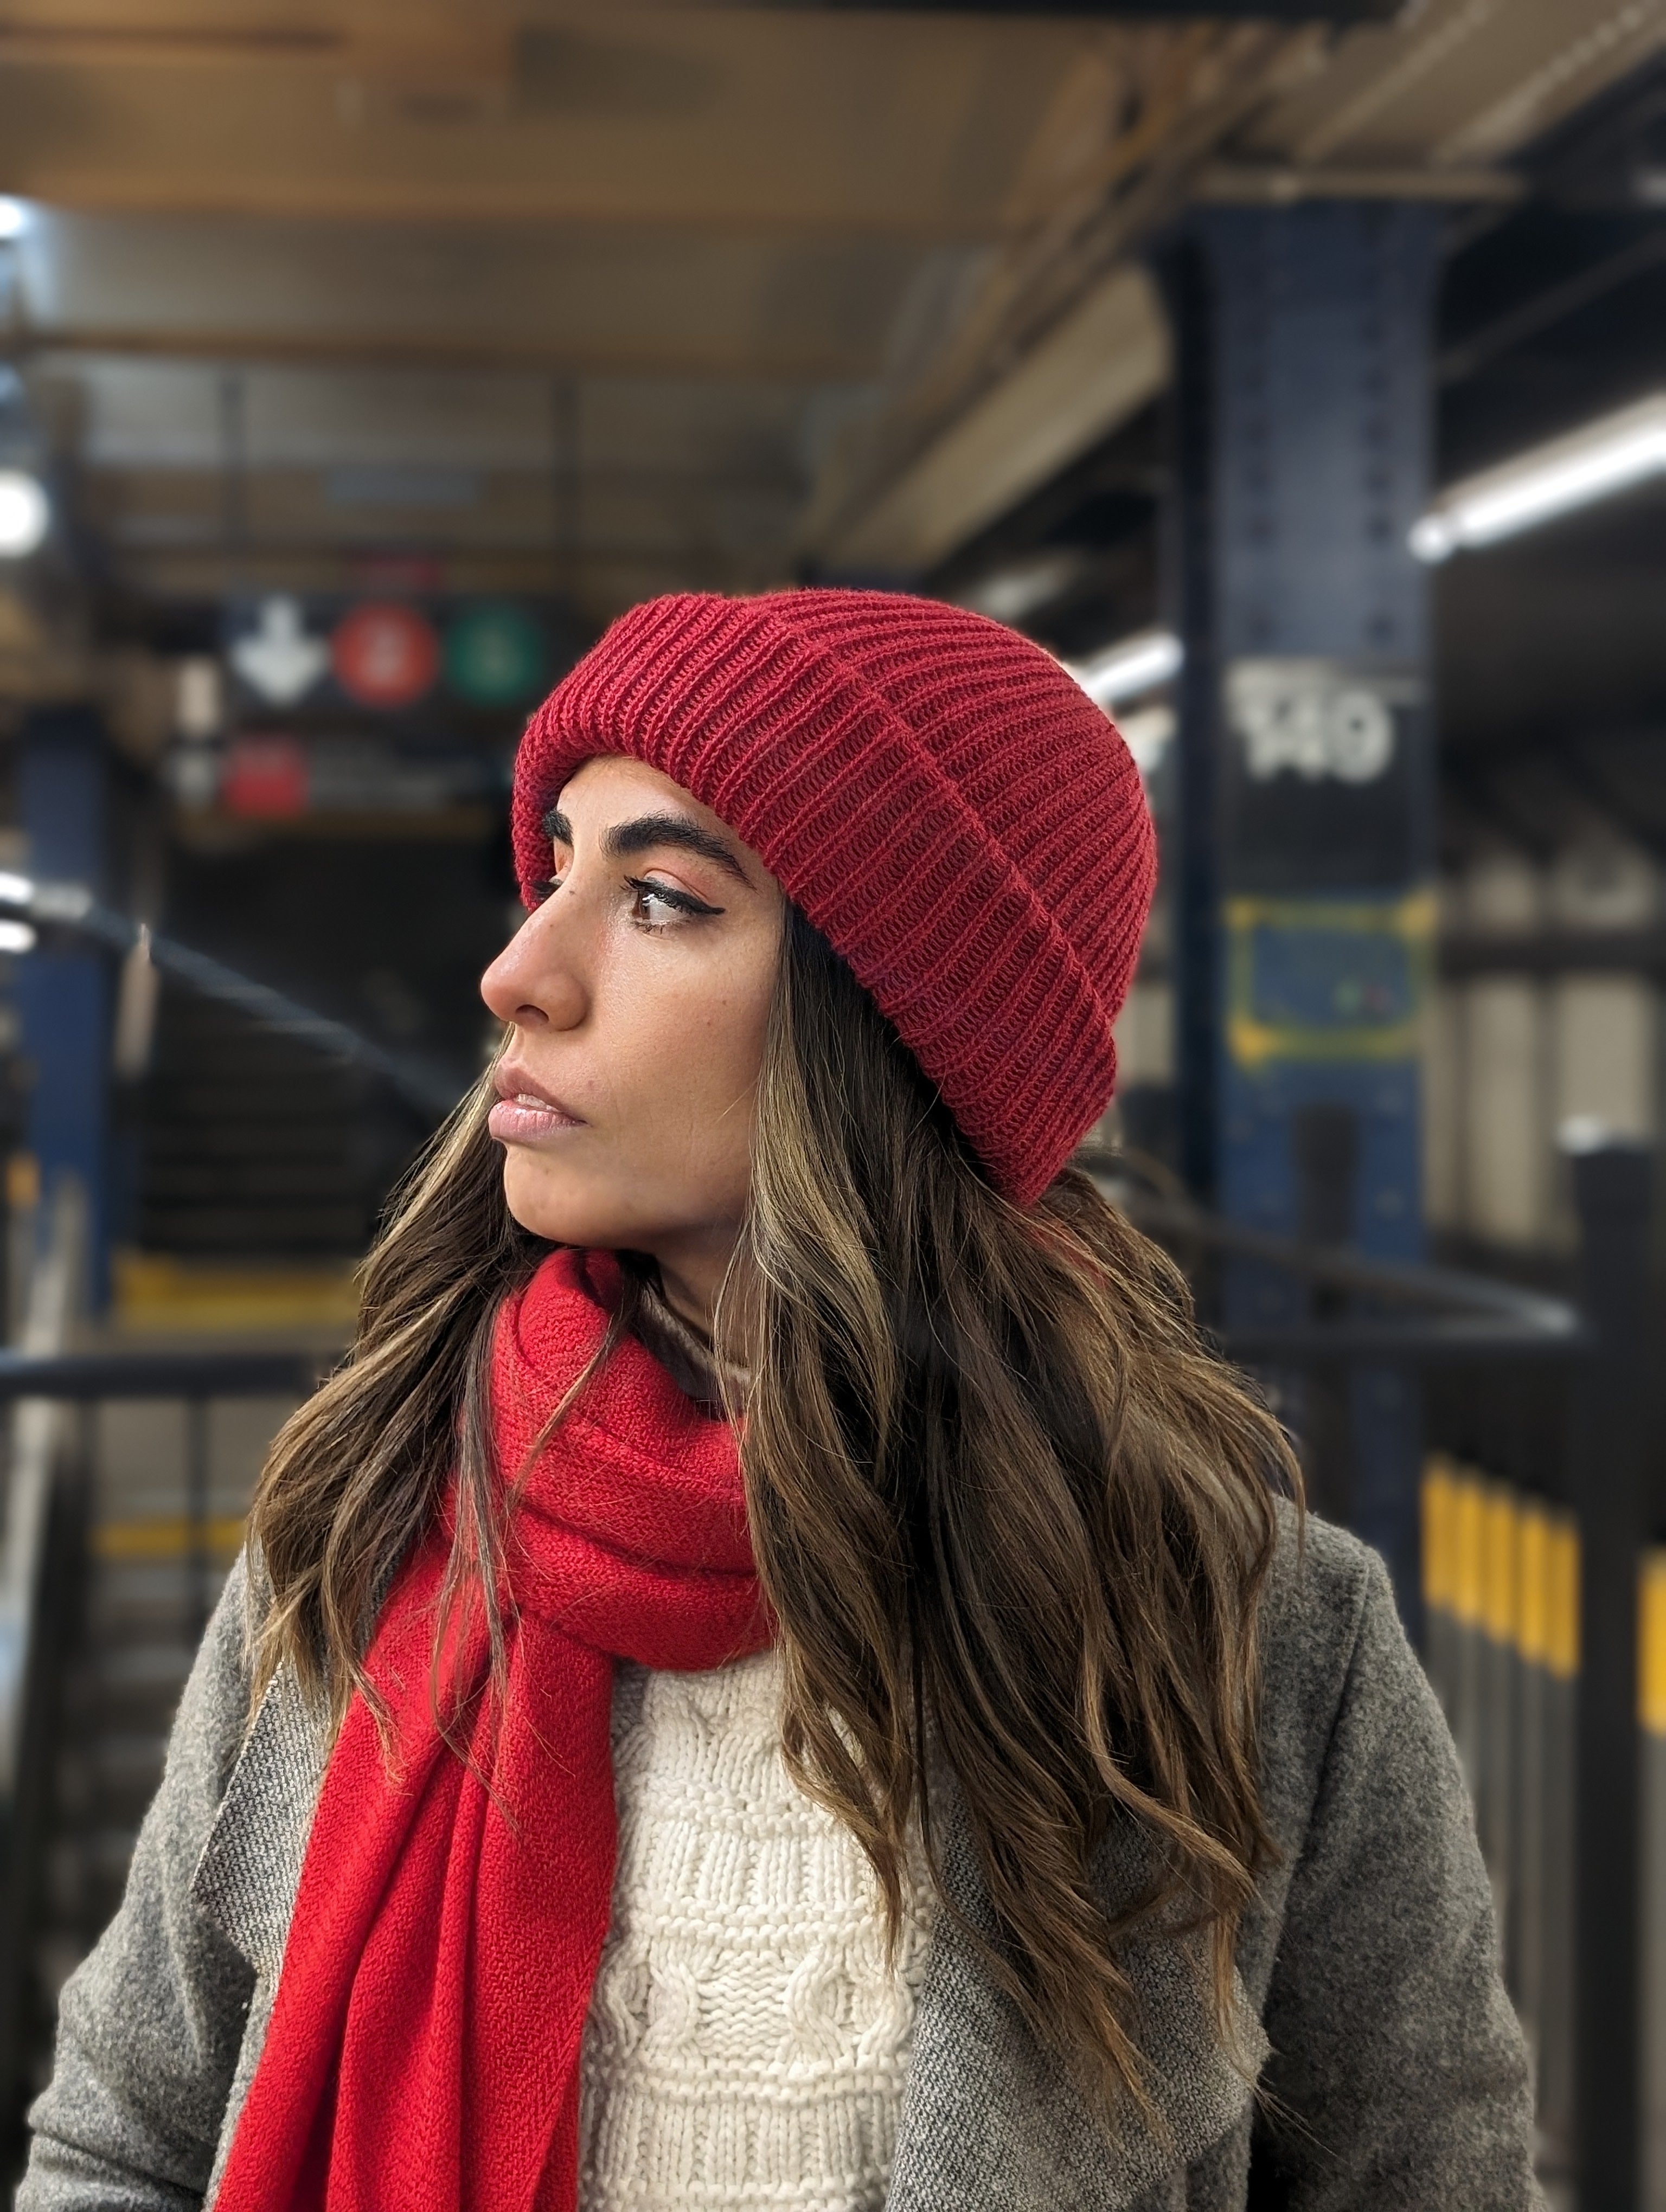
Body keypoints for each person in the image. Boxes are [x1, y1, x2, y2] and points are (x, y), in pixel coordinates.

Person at [21, 590, 1538, 2212]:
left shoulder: (1250, 1637)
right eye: (553, 877)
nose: (519, 971)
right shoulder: (367, 1531)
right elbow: (126, 2137)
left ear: (902, 1026)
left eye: (661, 897)